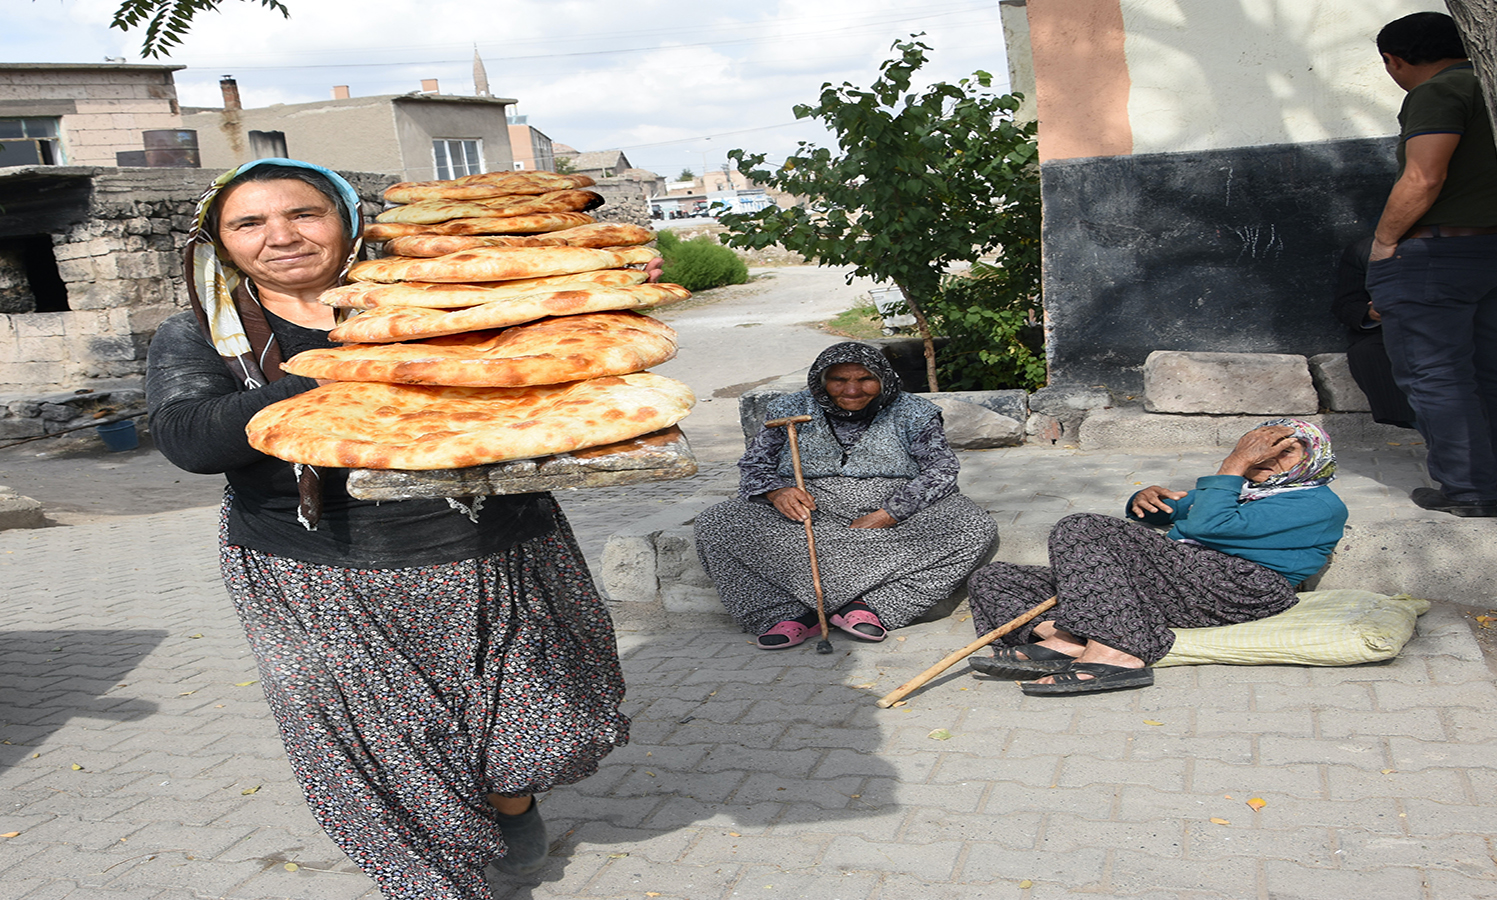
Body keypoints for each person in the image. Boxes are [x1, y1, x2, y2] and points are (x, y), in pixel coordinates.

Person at [145, 158, 628, 899]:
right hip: (315, 568)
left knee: (541, 724)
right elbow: (190, 441)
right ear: (220, 242)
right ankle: (438, 879)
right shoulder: (201, 336)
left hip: (491, 545)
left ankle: (513, 801)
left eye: (304, 213)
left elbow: (565, 351)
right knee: (385, 752)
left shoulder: (442, 296)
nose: (280, 236)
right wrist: (329, 370)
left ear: (346, 218)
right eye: (249, 223)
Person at [965, 419, 1347, 695]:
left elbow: (1209, 526)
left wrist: (1232, 465)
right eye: (1262, 449)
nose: (1267, 458)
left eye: (1286, 451)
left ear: (1311, 457)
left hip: (1239, 588)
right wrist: (1144, 499)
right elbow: (1177, 512)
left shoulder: (1317, 504)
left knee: (1082, 527)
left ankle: (1118, 654)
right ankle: (1067, 641)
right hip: (1184, 579)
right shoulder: (1247, 489)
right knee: (993, 578)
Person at [694, 342, 997, 649]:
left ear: (884, 378)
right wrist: (777, 492)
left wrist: (889, 513)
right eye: (839, 380)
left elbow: (941, 469)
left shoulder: (914, 412)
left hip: (891, 511)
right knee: (715, 523)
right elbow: (755, 463)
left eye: (865, 379)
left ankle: (870, 606)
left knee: (973, 526)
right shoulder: (786, 409)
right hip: (808, 512)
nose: (852, 390)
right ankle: (787, 614)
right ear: (821, 381)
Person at [1366, 11, 1497, 517]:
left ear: (1394, 60)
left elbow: (1424, 177)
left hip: (1437, 256)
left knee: (1436, 375)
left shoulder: (1437, 93)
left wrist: (1383, 242)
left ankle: (1467, 490)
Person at [1331, 237, 1414, 428]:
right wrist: (1371, 313)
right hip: (1392, 332)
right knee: (1367, 352)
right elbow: (1345, 304)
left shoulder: (1462, 244)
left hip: (1455, 328)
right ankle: (1425, 427)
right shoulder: (1364, 250)